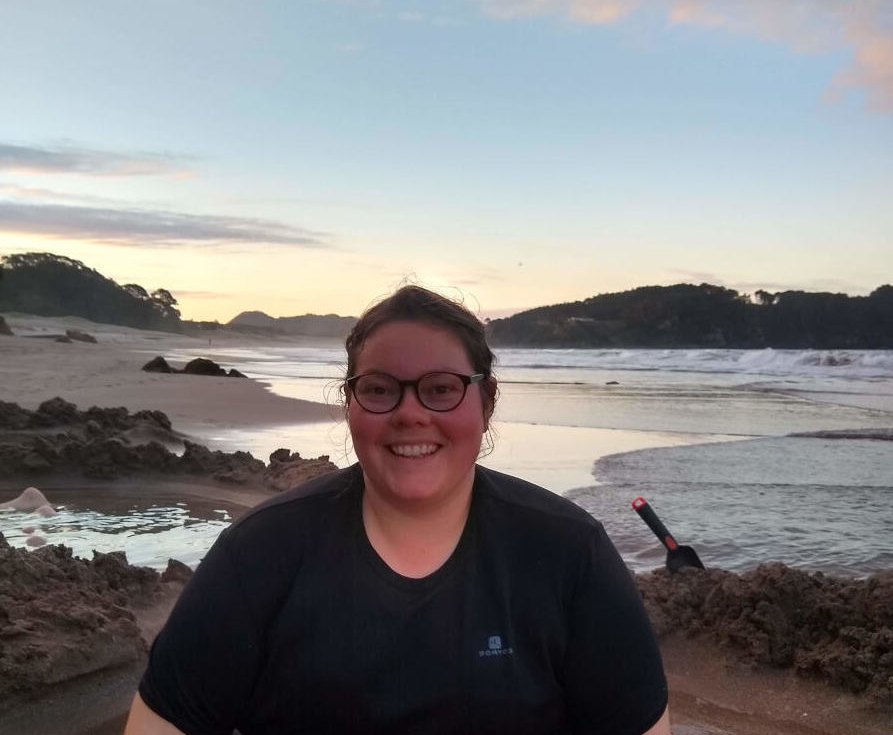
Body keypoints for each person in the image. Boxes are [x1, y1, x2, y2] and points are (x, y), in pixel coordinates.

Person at [125, 285, 670, 734]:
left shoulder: (570, 553)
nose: (411, 414)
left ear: (488, 401)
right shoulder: (260, 554)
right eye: (381, 389)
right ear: (350, 402)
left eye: (440, 388)